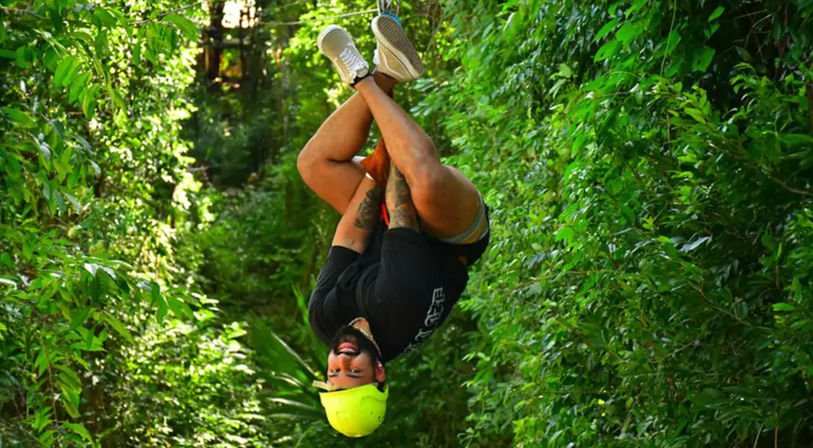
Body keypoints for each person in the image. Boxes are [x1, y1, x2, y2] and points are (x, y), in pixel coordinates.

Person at [296, 12, 490, 438]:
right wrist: (389, 148)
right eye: (354, 372)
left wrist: (369, 175)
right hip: (450, 235)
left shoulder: (325, 320)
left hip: (389, 232)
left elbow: (349, 236)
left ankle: (388, 72)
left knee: (313, 166)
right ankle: (367, 78)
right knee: (422, 174)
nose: (341, 362)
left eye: (334, 375)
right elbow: (403, 208)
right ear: (379, 372)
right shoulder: (399, 307)